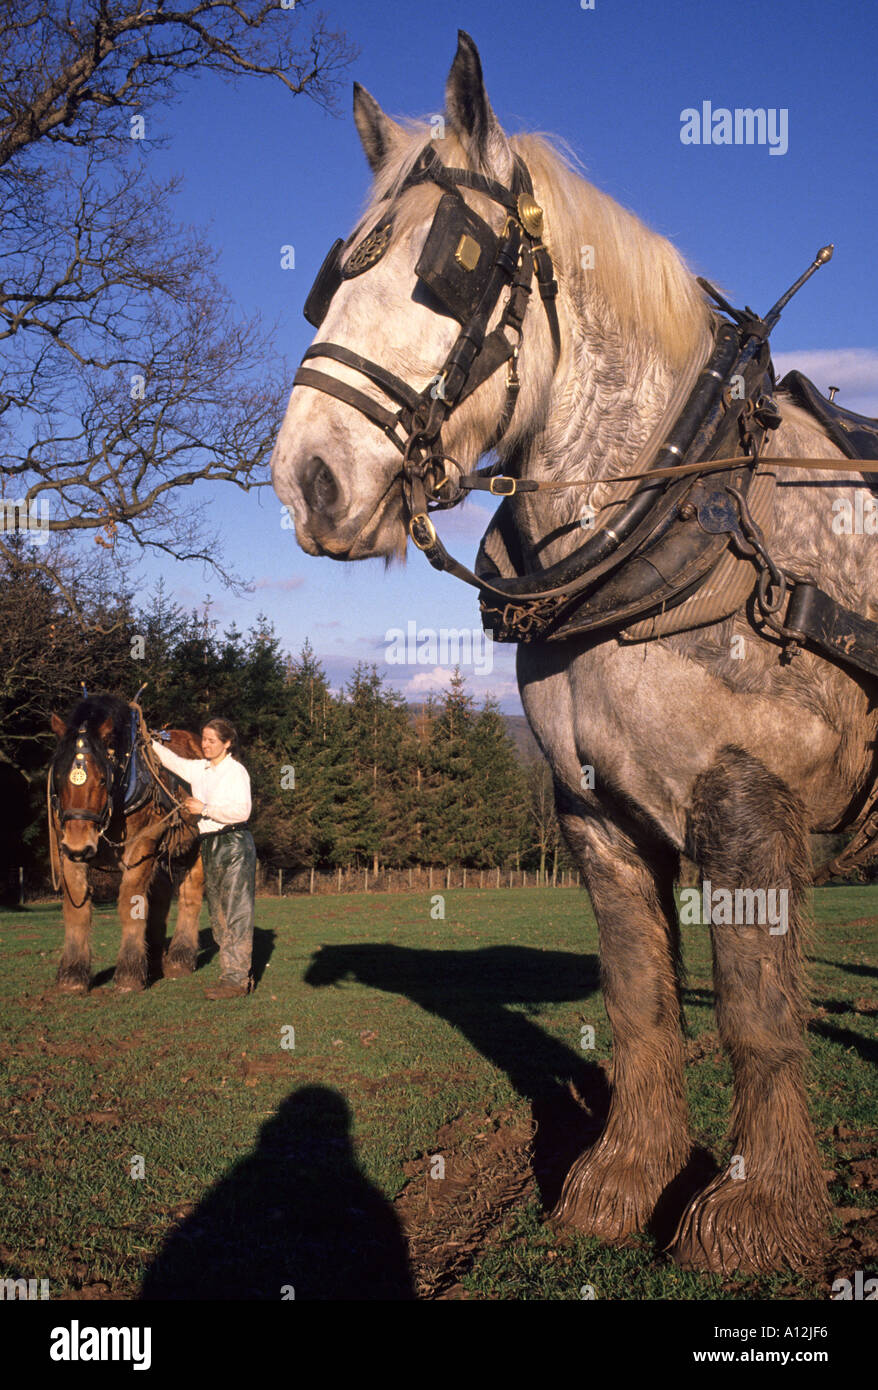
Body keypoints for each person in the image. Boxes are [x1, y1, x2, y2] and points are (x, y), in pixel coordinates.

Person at [151, 717, 256, 999]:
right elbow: (170, 760)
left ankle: (236, 981)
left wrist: (205, 809)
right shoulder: (200, 769)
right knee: (219, 915)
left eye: (211, 740)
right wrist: (145, 738)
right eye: (204, 739)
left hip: (233, 842)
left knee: (236, 912)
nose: (205, 745)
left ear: (227, 743)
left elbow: (242, 812)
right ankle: (232, 974)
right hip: (210, 844)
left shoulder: (236, 772)